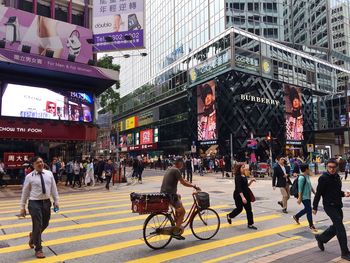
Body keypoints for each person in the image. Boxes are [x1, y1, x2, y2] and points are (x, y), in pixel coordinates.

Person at [19, 156, 59, 259]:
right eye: (37, 163)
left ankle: (33, 236)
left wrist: (56, 201)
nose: (40, 164)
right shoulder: (29, 177)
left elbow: (53, 188)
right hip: (34, 203)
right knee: (37, 224)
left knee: (45, 223)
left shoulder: (49, 174)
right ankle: (38, 249)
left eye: (41, 162)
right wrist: (22, 207)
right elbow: (25, 192)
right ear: (33, 165)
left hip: (46, 202)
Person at [313, 159, 350, 261]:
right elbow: (318, 193)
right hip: (329, 206)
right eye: (329, 167)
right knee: (340, 228)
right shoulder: (323, 178)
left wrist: (344, 194)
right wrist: (315, 207)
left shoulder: (337, 177)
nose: (332, 169)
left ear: (336, 167)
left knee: (336, 226)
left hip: (338, 205)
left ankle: (321, 238)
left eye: (333, 167)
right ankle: (345, 253)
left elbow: (337, 192)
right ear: (326, 167)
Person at [160, 157, 200, 240]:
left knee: (179, 196)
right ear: (179, 163)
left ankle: (177, 220)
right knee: (183, 212)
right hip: (170, 195)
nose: (183, 164)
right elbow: (183, 183)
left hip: (165, 194)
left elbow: (182, 179)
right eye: (182, 163)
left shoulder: (170, 168)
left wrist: (192, 184)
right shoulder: (176, 170)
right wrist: (193, 186)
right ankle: (175, 231)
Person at [227, 163, 257, 229]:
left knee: (249, 210)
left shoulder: (244, 176)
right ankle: (229, 216)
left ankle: (250, 224)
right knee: (239, 209)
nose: (244, 169)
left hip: (246, 194)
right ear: (239, 169)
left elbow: (246, 185)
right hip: (238, 195)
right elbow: (239, 188)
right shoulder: (237, 177)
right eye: (242, 167)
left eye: (244, 167)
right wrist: (242, 197)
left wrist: (251, 181)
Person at [292, 163, 317, 232]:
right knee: (309, 210)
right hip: (304, 197)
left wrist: (314, 192)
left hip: (308, 196)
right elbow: (300, 189)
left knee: (307, 209)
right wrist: (299, 198)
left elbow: (310, 185)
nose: (309, 169)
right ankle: (311, 225)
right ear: (306, 169)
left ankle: (296, 216)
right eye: (308, 168)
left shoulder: (307, 176)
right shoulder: (301, 178)